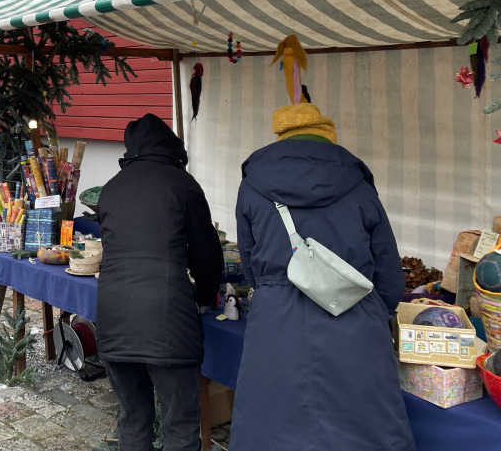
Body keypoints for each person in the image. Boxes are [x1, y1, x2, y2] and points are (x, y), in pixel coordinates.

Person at [228, 103, 414, 451]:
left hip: (276, 320)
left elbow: (249, 262)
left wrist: (271, 290)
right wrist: (381, 312)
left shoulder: (253, 186)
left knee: (271, 423)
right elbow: (388, 267)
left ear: (281, 137)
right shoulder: (358, 185)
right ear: (328, 137)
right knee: (363, 428)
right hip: (353, 316)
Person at [95, 113, 223, 451]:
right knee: (179, 425)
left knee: (133, 419)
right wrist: (205, 296)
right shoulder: (182, 183)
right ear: (171, 146)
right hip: (167, 318)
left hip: (113, 315)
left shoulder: (111, 187)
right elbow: (207, 255)